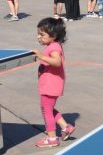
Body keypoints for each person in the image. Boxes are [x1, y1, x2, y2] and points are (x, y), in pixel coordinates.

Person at [33, 17, 76, 147]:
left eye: (42, 34)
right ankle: (65, 127)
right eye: (38, 34)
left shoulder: (54, 47)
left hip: (51, 85)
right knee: (48, 108)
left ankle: (52, 138)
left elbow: (57, 62)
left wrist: (41, 56)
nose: (38, 37)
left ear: (54, 35)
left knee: (46, 110)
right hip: (50, 84)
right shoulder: (51, 45)